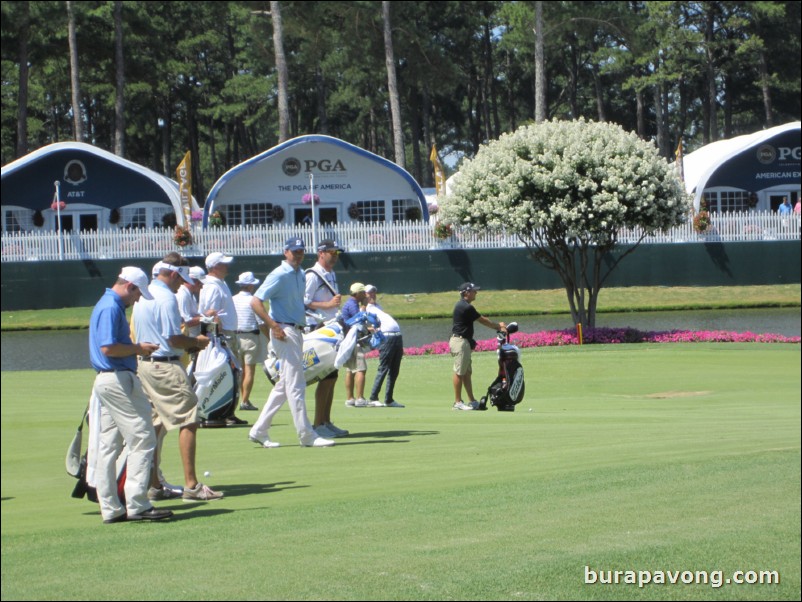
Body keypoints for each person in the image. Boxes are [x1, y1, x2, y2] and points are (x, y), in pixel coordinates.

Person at [132, 255, 223, 502]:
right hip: (165, 366)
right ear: (173, 275)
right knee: (189, 420)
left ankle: (153, 485)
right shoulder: (166, 298)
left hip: (145, 367)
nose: (180, 285)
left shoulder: (142, 294)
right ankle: (191, 486)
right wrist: (197, 342)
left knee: (155, 425)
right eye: (179, 280)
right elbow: (173, 339)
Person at [88, 266, 172, 523]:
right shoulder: (111, 307)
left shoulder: (107, 304)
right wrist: (139, 348)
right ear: (130, 286)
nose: (137, 299)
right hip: (117, 378)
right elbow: (109, 348)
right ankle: (137, 504)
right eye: (137, 294)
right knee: (144, 439)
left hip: (109, 379)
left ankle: (112, 508)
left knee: (108, 445)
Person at [247, 237, 334, 448]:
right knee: (296, 385)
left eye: (301, 251)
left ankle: (259, 430)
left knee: (284, 385)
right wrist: (273, 326)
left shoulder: (300, 274)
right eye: (295, 251)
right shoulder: (279, 274)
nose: (298, 255)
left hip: (295, 330)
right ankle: (306, 435)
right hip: (284, 331)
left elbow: (297, 304)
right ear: (286, 252)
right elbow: (256, 301)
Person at [304, 239, 347, 438]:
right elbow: (303, 302)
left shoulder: (331, 273)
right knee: (325, 376)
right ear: (321, 253)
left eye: (336, 252)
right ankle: (318, 422)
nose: (335, 255)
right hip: (318, 329)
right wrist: (327, 305)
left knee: (332, 376)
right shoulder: (312, 275)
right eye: (331, 252)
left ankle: (326, 421)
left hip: (331, 329)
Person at [198, 251, 247, 426]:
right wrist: (220, 338)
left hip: (228, 333)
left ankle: (228, 411)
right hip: (223, 335)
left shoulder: (220, 283)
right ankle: (222, 411)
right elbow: (212, 313)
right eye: (223, 264)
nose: (227, 267)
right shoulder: (212, 285)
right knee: (228, 373)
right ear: (215, 267)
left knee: (235, 373)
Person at [450, 282, 506, 411]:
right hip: (460, 342)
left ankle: (472, 401)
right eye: (474, 291)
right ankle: (457, 402)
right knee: (459, 372)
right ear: (466, 293)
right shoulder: (465, 307)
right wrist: (499, 326)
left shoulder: (464, 305)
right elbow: (482, 320)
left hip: (463, 342)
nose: (476, 293)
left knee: (466, 373)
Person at [364, 284, 405, 408]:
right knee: (384, 369)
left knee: (394, 370)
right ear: (364, 295)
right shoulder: (366, 309)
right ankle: (373, 398)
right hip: (386, 338)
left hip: (397, 337)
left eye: (374, 292)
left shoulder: (378, 307)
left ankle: (389, 399)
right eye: (369, 293)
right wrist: (374, 330)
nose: (373, 295)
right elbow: (366, 325)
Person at [233, 271, 268, 412]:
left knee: (239, 371)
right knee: (249, 371)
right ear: (250, 286)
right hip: (250, 337)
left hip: (235, 337)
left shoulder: (232, 299)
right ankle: (245, 401)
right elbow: (261, 322)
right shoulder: (254, 300)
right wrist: (270, 337)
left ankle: (240, 399)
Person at [342, 282, 369, 407]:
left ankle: (350, 399)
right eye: (363, 292)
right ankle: (359, 398)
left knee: (350, 370)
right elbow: (358, 319)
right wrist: (364, 307)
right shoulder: (353, 304)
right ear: (358, 293)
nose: (365, 294)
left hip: (348, 340)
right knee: (361, 369)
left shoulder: (349, 303)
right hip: (354, 340)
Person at [176, 266, 206, 369]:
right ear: (192, 280)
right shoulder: (182, 295)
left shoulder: (190, 295)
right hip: (186, 344)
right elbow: (186, 322)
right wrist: (205, 317)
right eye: (199, 283)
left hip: (191, 343)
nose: (201, 286)